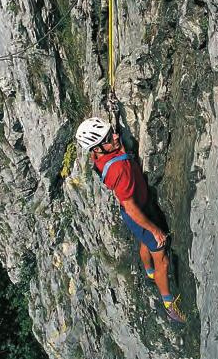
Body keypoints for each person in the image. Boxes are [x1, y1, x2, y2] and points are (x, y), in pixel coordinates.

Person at [76, 117, 186, 324]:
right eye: (109, 138)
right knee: (162, 257)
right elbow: (132, 208)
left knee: (144, 242)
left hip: (136, 211)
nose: (116, 136)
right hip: (138, 212)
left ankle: (150, 272)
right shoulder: (119, 170)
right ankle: (168, 304)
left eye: (112, 133)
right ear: (97, 149)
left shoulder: (101, 154)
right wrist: (155, 230)